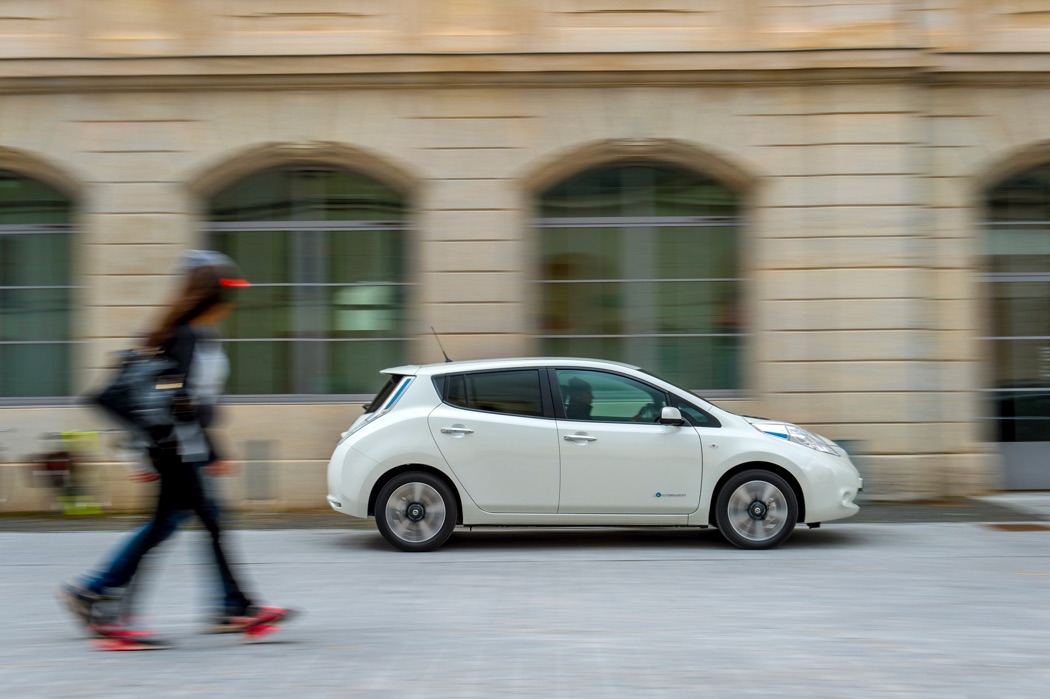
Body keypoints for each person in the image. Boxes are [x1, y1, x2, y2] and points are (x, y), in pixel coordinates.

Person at [59, 250, 294, 638]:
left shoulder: (189, 333)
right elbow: (178, 401)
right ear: (213, 299)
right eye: (227, 295)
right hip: (177, 450)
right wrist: (199, 449)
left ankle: (226, 605)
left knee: (183, 524)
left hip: (180, 448)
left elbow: (182, 399)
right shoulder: (184, 335)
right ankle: (106, 600)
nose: (231, 304)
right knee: (181, 526)